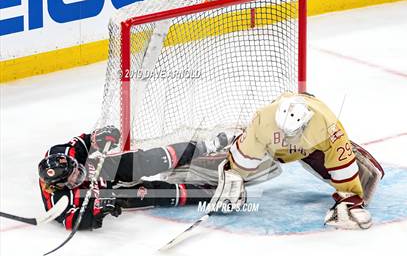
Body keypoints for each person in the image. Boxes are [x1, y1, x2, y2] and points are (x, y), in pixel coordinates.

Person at [207, 91, 384, 230]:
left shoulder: (326, 125)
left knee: (364, 180)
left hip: (309, 148)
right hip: (272, 146)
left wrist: (350, 199)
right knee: (246, 146)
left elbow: (341, 161)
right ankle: (234, 136)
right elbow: (246, 153)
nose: (287, 137)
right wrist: (234, 179)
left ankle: (236, 137)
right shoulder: (263, 120)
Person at [38, 126, 228, 230]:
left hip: (103, 168)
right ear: (60, 185)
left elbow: (86, 141)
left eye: (77, 169)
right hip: (105, 194)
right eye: (74, 178)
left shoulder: (62, 152)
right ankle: (213, 194)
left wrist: (100, 137)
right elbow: (73, 221)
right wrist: (98, 210)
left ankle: (209, 146)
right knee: (157, 193)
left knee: (148, 160)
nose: (79, 174)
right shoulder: (58, 201)